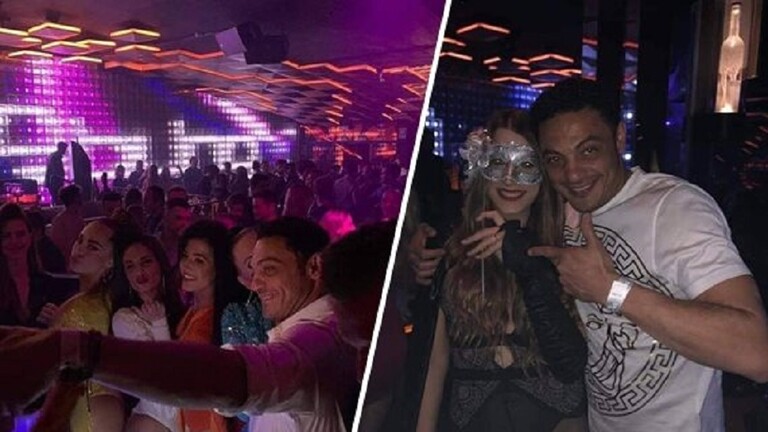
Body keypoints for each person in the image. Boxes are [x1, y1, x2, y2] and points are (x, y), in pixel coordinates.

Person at [525, 77, 768, 431]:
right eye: (555, 159)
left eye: (588, 150)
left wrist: (610, 289)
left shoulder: (674, 208)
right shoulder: (565, 213)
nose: (572, 173)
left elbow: (756, 353)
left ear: (618, 138)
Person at [0, 218, 358, 432]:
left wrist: (70, 350)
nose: (256, 281)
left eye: (269, 269)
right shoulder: (305, 328)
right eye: (250, 268)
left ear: (314, 267)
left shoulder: (315, 341)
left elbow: (227, 377)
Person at [413, 111, 586, 432]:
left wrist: (530, 269)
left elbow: (571, 363)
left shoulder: (567, 245)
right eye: (497, 161)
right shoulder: (450, 246)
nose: (509, 177)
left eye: (526, 165)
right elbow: (434, 362)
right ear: (481, 167)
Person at [35, 218, 133, 432]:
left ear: (111, 261)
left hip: (87, 404)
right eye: (80, 240)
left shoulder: (81, 307)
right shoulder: (106, 301)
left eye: (93, 247)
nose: (79, 249)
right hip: (102, 405)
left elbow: (60, 373)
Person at [111, 235, 185, 432]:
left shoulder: (183, 305)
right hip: (154, 415)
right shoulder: (125, 318)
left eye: (146, 262)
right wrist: (159, 325)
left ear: (160, 263)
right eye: (130, 266)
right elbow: (156, 373)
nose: (139, 272)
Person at [175, 219, 244, 432]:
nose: (187, 265)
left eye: (199, 260)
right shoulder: (194, 309)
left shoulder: (217, 320)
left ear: (218, 267)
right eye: (185, 256)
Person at [50, 184, 85, 268]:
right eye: (79, 197)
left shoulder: (79, 218)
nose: (82, 200)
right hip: (68, 264)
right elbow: (59, 248)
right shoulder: (59, 221)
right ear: (74, 199)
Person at [45, 141, 67, 205]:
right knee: (58, 200)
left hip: (53, 182)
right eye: (64, 148)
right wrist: (65, 180)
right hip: (54, 183)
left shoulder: (54, 156)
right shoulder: (55, 157)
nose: (65, 151)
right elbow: (55, 172)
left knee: (55, 200)